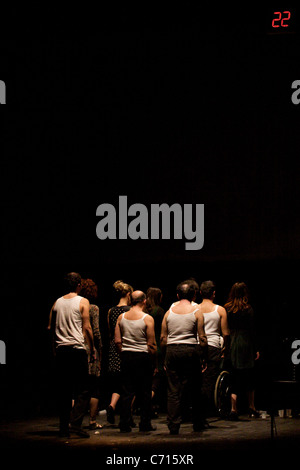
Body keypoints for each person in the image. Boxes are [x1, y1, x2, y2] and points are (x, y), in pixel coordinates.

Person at [48, 272, 94, 438]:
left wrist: (53, 348)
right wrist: (93, 348)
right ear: (79, 285)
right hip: (77, 349)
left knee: (64, 390)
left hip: (61, 350)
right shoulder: (83, 301)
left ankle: (63, 427)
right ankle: (75, 424)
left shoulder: (57, 303)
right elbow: (87, 327)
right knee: (83, 389)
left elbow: (50, 328)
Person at [160, 281, 207, 435]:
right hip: (190, 350)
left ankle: (173, 425)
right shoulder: (196, 311)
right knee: (195, 388)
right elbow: (203, 338)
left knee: (173, 390)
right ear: (193, 295)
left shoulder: (169, 312)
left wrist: (164, 357)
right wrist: (203, 357)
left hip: (172, 350)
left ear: (178, 295)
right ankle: (198, 423)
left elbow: (162, 338)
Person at [115, 290, 157, 433]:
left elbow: (117, 341)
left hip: (127, 356)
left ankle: (124, 423)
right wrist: (153, 361)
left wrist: (124, 353)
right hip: (142, 357)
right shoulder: (147, 318)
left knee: (127, 391)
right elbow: (151, 345)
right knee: (145, 392)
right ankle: (145, 423)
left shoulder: (121, 317)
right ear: (144, 301)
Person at [224, 282, 260, 420]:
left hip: (233, 341)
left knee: (234, 375)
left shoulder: (227, 309)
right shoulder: (248, 309)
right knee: (249, 375)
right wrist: (255, 348)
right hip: (245, 342)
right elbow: (252, 330)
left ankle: (234, 408)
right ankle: (252, 407)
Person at [198, 280, 230, 417]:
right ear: (214, 294)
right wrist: (226, 348)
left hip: (198, 345)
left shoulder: (195, 309)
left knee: (197, 379)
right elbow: (226, 333)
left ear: (200, 293)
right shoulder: (219, 310)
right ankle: (205, 411)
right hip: (213, 346)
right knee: (209, 379)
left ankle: (198, 410)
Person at [106, 280, 133, 424]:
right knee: (129, 384)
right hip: (126, 347)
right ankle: (127, 415)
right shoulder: (130, 311)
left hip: (114, 350)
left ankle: (112, 405)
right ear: (129, 294)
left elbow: (110, 332)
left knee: (118, 383)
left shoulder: (111, 311)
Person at [80, 278, 103, 430]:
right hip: (90, 348)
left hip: (78, 347)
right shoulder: (93, 308)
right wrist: (98, 348)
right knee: (94, 385)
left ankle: (74, 420)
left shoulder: (77, 306)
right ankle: (92, 420)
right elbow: (95, 331)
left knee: (78, 386)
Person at [146, 287, 166, 415]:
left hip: (145, 346)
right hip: (157, 345)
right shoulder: (159, 311)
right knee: (157, 378)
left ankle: (149, 405)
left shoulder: (144, 311)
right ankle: (147, 403)